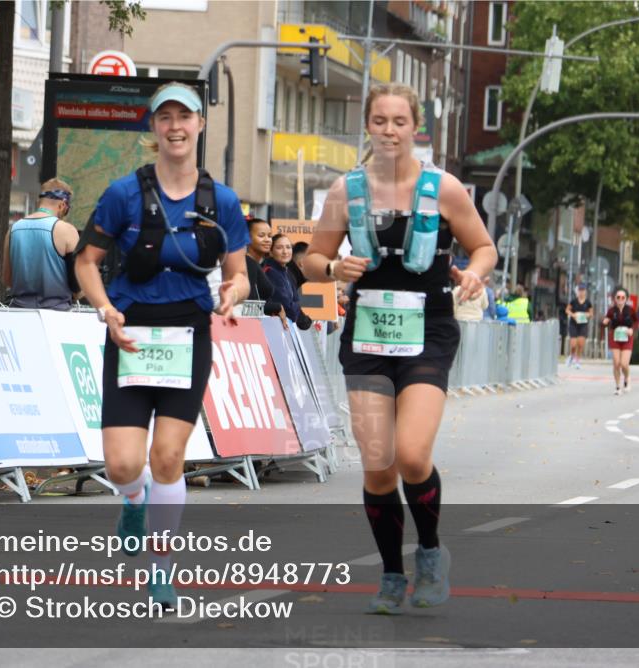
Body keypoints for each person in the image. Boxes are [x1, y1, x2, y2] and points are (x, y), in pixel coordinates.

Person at [302, 83, 497, 614]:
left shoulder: (445, 188)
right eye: (380, 121)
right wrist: (333, 269)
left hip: (428, 331)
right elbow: (311, 260)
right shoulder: (346, 191)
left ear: (416, 128)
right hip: (367, 333)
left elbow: (483, 247)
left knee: (411, 455)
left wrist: (474, 276)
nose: (389, 131)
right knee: (378, 464)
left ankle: (430, 554)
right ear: (367, 125)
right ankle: (392, 574)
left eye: (399, 122)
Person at [74, 82, 249, 611]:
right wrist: (106, 309)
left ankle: (161, 570)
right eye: (165, 117)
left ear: (199, 125)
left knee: (169, 456)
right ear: (153, 127)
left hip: (188, 332)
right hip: (130, 334)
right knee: (125, 465)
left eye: (185, 117)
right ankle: (131, 498)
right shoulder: (123, 193)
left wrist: (232, 296)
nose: (175, 126)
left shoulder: (221, 200)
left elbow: (238, 274)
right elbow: (86, 261)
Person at [1, 178, 80, 311]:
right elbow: (76, 285)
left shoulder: (13, 229)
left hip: (19, 312)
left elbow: (8, 279)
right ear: (62, 205)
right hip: (57, 314)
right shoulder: (67, 231)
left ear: (40, 201)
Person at [263, 233, 312, 330]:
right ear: (271, 252)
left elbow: (294, 304)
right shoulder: (271, 272)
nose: (285, 251)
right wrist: (295, 304)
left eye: (288, 247)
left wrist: (294, 304)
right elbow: (290, 311)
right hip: (272, 328)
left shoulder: (287, 273)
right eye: (279, 248)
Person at [244, 215, 285, 322]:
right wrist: (276, 307)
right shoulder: (247, 263)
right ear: (247, 237)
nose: (267, 240)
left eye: (270, 236)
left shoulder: (254, 263)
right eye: (261, 235)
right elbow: (248, 307)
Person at [602, 287, 638, 395]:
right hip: (615, 337)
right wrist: (605, 321)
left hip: (627, 338)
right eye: (618, 297)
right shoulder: (611, 310)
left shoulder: (630, 310)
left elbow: (636, 322)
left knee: (624, 364)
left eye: (623, 297)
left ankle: (627, 378)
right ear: (615, 299)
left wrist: (631, 329)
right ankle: (618, 386)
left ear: (626, 299)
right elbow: (604, 322)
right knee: (616, 363)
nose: (620, 299)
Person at [565, 283, 593, 368]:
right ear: (578, 292)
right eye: (580, 290)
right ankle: (572, 356)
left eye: (583, 290)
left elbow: (591, 313)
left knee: (580, 344)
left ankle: (577, 360)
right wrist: (573, 315)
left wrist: (586, 315)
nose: (581, 292)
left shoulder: (588, 302)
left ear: (585, 292)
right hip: (574, 324)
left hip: (583, 324)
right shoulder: (573, 301)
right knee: (573, 344)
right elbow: (567, 310)